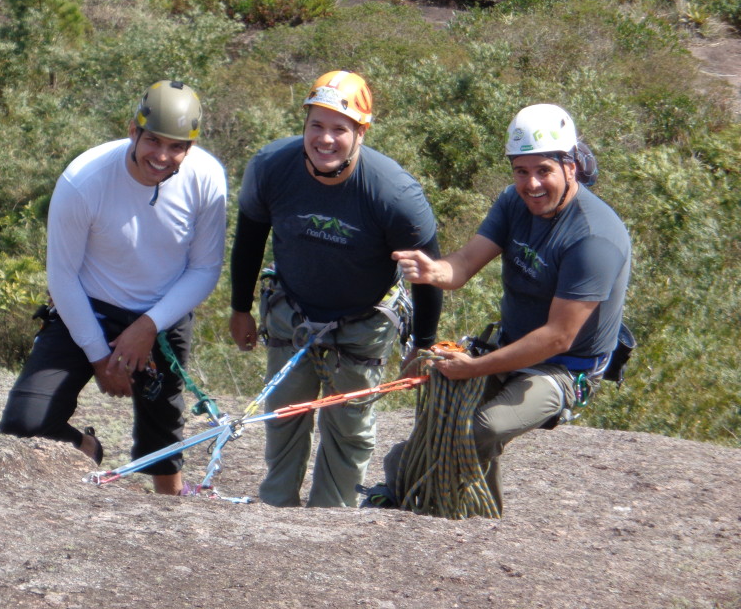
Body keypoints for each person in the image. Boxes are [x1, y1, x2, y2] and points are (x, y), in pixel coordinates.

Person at [392, 103, 631, 513]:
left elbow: (559, 335)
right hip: (513, 344)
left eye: (544, 171)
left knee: (486, 426)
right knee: (439, 414)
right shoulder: (513, 204)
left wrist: (474, 368)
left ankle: (475, 516)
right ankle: (412, 489)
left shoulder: (593, 239)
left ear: (570, 166)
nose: (532, 184)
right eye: (521, 171)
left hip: (567, 367)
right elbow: (465, 264)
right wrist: (436, 271)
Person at [0, 80, 227, 495]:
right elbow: (62, 276)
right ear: (132, 131)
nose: (161, 156)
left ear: (190, 147)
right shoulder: (84, 180)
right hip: (86, 306)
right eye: (152, 140)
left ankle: (171, 508)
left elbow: (206, 268)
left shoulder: (206, 179)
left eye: (176, 146)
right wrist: (101, 357)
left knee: (162, 431)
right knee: (24, 424)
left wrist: (147, 327)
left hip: (162, 310)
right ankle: (86, 448)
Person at [229, 70, 444, 508]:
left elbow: (427, 273)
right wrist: (240, 307)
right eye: (316, 125)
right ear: (304, 123)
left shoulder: (393, 193)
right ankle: (275, 511)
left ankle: (332, 518)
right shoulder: (272, 167)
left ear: (360, 132)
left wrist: (422, 345)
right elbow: (250, 237)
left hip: (361, 324)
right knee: (285, 417)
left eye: (339, 129)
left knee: (347, 430)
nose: (325, 140)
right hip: (294, 312)